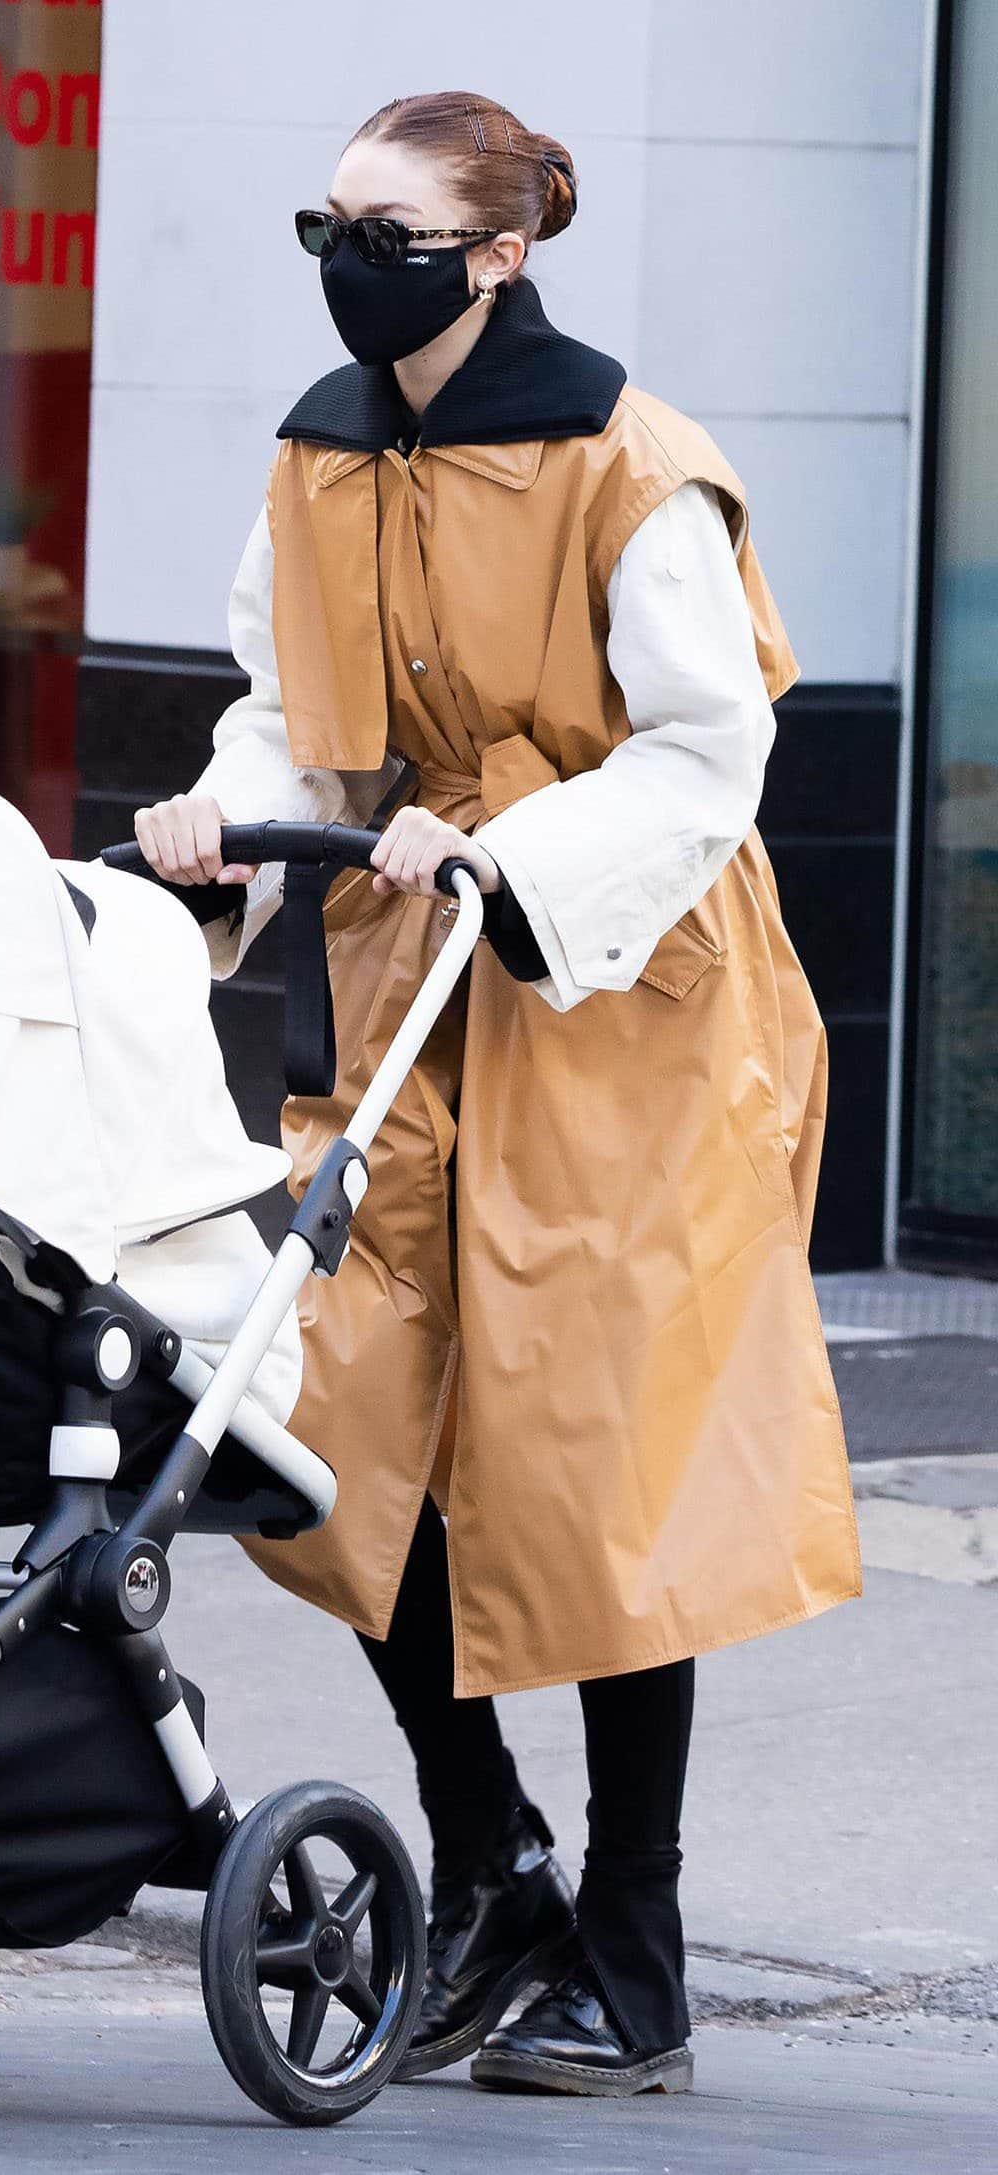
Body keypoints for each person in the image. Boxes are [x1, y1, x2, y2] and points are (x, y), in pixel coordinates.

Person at [134, 91, 860, 2099]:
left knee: (595, 1453)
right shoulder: (323, 449)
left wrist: (508, 861)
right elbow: (286, 698)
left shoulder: (641, 468)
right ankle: (493, 1857)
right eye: (326, 221)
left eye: (385, 226)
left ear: (503, 246)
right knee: (330, 1417)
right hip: (407, 984)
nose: (346, 256)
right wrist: (226, 807)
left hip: (625, 997)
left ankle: (634, 1946)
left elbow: (708, 756)